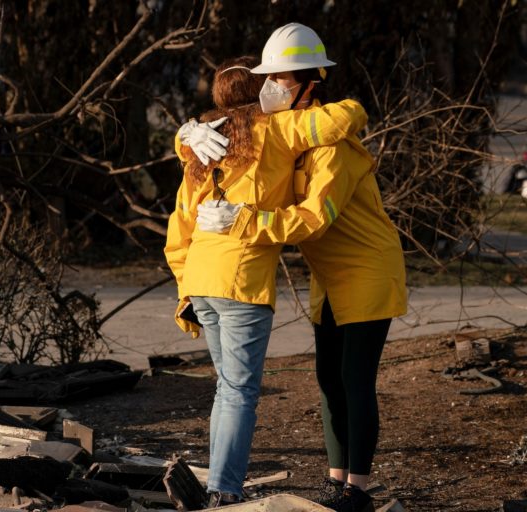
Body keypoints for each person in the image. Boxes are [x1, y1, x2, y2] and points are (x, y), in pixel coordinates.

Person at [195, 23, 407, 512]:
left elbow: (313, 220)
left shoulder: (333, 150)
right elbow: (242, 144)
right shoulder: (292, 136)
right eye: (271, 77)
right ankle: (337, 483)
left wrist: (244, 220)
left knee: (355, 379)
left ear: (312, 81)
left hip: (367, 273)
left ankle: (358, 490)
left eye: (284, 78)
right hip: (332, 280)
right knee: (328, 379)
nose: (274, 86)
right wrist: (191, 133)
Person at [164, 53, 368, 506]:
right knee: (239, 392)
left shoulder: (201, 149)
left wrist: (186, 131)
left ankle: (217, 485)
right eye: (267, 79)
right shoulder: (273, 130)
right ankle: (224, 491)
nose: (274, 85)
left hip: (201, 277)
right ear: (256, 91)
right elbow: (347, 117)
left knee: (226, 388)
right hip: (242, 280)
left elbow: (178, 227)